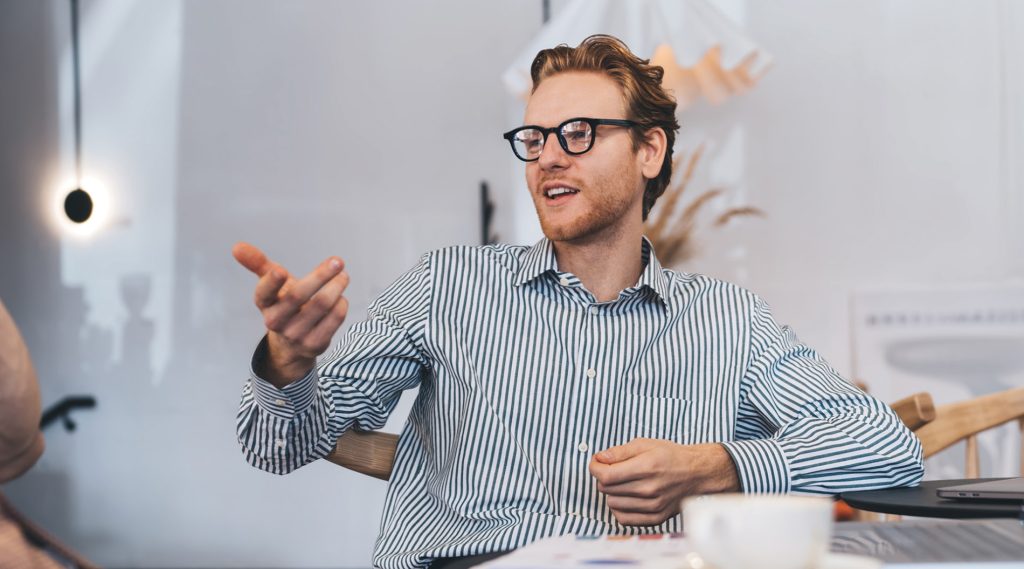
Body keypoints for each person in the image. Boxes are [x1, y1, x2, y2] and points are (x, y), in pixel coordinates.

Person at [233, 35, 923, 569]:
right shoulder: (445, 287)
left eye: (579, 133)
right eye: (533, 139)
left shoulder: (728, 320)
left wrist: (721, 464)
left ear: (649, 150)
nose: (548, 158)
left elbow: (888, 446)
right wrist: (288, 363)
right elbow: (275, 447)